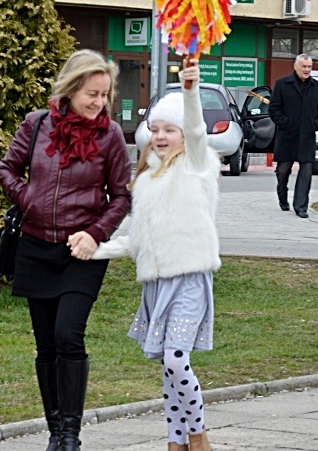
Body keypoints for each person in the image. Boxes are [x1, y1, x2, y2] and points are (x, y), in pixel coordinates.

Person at [0, 49, 133, 451]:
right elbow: (8, 169)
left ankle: (71, 435)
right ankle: (55, 432)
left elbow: (121, 197)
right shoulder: (36, 124)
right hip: (35, 246)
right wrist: (30, 201)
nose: (99, 103)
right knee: (46, 344)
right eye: (92, 94)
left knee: (68, 335)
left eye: (105, 95)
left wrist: (95, 233)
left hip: (82, 253)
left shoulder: (110, 135)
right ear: (71, 89)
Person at [91, 60, 219, 451]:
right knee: (167, 365)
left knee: (177, 359)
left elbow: (197, 131)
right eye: (156, 129)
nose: (161, 136)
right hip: (156, 285)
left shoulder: (198, 166)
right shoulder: (145, 181)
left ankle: (198, 436)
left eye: (170, 129)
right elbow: (137, 241)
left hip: (190, 280)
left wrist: (190, 92)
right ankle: (174, 442)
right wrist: (93, 249)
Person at [268, 54, 318, 219]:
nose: (307, 70)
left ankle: (301, 206)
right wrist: (286, 123)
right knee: (283, 171)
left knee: (307, 170)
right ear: (296, 66)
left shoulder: (317, 86)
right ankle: (282, 195)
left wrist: (314, 125)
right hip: (287, 136)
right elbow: (273, 109)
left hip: (307, 137)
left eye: (309, 67)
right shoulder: (282, 84)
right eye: (304, 66)